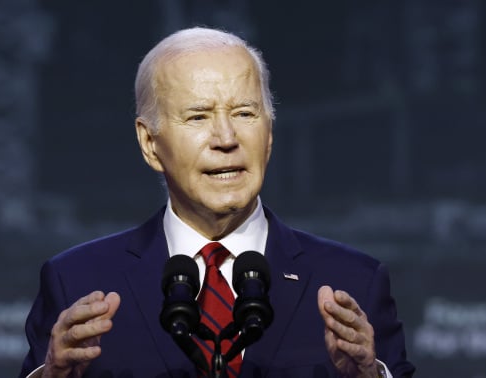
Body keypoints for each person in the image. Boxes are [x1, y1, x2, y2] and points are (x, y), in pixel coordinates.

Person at [20, 27, 415, 378]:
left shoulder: (353, 283)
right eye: (198, 117)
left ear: (270, 134)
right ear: (150, 143)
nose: (226, 138)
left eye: (245, 113)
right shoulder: (77, 282)